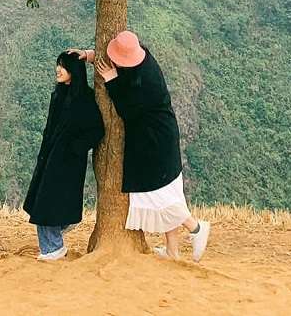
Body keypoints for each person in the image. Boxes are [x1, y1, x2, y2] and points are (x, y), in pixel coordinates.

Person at [73, 32, 209, 262]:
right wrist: (90, 56)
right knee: (169, 190)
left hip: (155, 141)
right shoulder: (141, 59)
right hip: (159, 135)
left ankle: (196, 228)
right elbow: (115, 62)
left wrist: (111, 81)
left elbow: (128, 111)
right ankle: (172, 251)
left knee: (158, 193)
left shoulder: (146, 80)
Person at [23, 50, 105, 261]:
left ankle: (53, 249)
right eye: (58, 65)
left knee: (48, 205)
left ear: (74, 71)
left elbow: (97, 130)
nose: (58, 70)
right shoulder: (59, 94)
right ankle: (53, 246)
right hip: (50, 158)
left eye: (63, 66)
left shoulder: (85, 98)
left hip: (67, 162)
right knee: (43, 204)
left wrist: (75, 148)